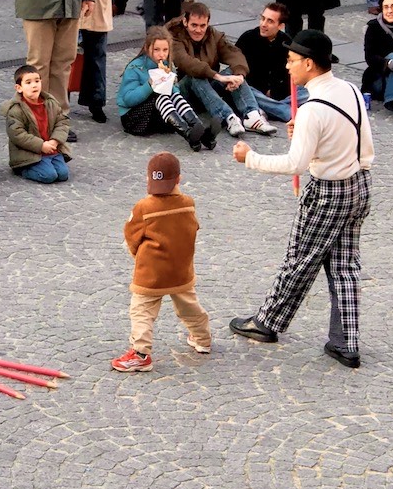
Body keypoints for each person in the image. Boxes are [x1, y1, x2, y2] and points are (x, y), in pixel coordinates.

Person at [229, 30, 374, 369]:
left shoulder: (312, 110)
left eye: (292, 60)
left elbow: (295, 164)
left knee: (299, 258)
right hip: (360, 184)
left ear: (309, 64)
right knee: (345, 266)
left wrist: (250, 157)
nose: (288, 65)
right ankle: (346, 342)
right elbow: (354, 137)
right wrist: (309, 138)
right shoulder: (350, 90)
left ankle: (267, 322)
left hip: (329, 191)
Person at [111, 151, 210, 372]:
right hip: (180, 269)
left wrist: (138, 256)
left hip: (151, 272)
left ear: (149, 179)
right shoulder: (188, 203)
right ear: (179, 179)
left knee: (142, 310)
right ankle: (202, 339)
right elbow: (193, 229)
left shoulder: (144, 207)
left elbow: (132, 235)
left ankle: (140, 354)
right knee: (189, 305)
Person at [169, 2, 277, 137]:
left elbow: (234, 53)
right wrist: (218, 77)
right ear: (185, 22)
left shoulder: (213, 35)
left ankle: (252, 116)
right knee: (195, 76)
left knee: (233, 73)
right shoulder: (174, 36)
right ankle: (228, 117)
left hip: (209, 88)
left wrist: (239, 76)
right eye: (194, 25)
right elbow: (187, 63)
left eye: (202, 26)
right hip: (185, 92)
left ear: (208, 24)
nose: (198, 30)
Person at [117, 26, 211, 151]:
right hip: (133, 118)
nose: (161, 54)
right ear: (147, 48)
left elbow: (174, 93)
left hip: (159, 114)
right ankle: (188, 134)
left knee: (173, 94)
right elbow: (128, 99)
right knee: (159, 95)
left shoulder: (167, 65)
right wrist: (149, 85)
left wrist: (172, 84)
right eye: (156, 50)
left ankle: (199, 129)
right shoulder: (136, 67)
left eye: (165, 50)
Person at [0, 64, 72, 184]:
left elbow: (62, 121)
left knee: (63, 174)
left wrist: (55, 141)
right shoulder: (16, 110)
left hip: (51, 149)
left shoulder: (50, 103)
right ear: (19, 88)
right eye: (28, 82)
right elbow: (17, 135)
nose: (34, 85)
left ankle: (48, 162)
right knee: (49, 176)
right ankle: (22, 169)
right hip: (30, 154)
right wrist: (41, 145)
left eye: (37, 81)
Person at [235, 3, 309, 123]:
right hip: (253, 90)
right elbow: (236, 68)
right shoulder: (247, 38)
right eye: (263, 18)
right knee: (244, 89)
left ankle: (269, 108)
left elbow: (290, 74)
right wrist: (264, 91)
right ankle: (286, 111)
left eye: (270, 21)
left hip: (278, 93)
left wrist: (274, 92)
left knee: (307, 91)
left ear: (280, 26)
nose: (263, 24)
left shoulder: (286, 42)